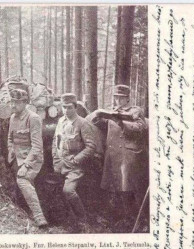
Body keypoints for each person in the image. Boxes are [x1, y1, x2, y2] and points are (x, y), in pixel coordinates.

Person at [97, 84, 148, 224]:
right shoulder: (111, 110)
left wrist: (122, 123)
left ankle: (136, 219)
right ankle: (118, 217)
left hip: (127, 153)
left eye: (121, 98)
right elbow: (103, 126)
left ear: (127, 99)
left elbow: (140, 127)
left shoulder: (135, 111)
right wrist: (97, 117)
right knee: (113, 186)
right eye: (116, 98)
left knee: (128, 188)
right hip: (113, 154)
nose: (118, 101)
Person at [52, 93, 96, 232]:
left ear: (75, 107)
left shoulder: (83, 123)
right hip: (61, 163)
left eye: (69, 107)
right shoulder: (60, 121)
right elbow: (55, 142)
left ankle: (82, 219)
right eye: (63, 107)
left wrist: (76, 159)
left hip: (76, 166)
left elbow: (91, 147)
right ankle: (66, 218)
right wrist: (56, 160)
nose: (66, 110)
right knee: (54, 191)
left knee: (68, 190)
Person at [7, 88, 48, 228]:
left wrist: (25, 166)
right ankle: (26, 212)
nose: (13, 105)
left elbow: (37, 147)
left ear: (25, 103)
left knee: (23, 180)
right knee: (24, 185)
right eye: (11, 102)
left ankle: (39, 217)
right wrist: (10, 151)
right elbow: (10, 138)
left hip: (34, 159)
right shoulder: (13, 117)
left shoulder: (33, 118)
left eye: (16, 102)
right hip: (17, 157)